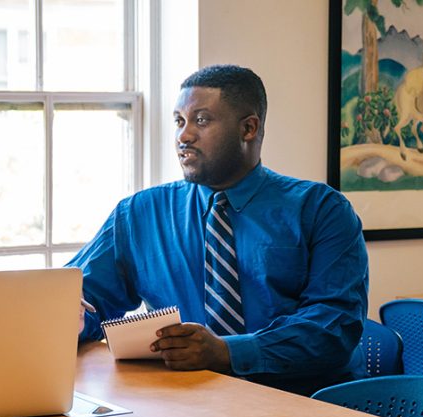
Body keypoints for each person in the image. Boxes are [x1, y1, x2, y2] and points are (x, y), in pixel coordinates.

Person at [69, 65, 368, 396]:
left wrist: (226, 353)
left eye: (201, 120)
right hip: (187, 408)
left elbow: (334, 328)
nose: (183, 136)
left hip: (305, 404)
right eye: (179, 121)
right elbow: (80, 299)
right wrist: (67, 318)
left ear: (248, 128)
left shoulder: (321, 210)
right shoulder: (139, 214)